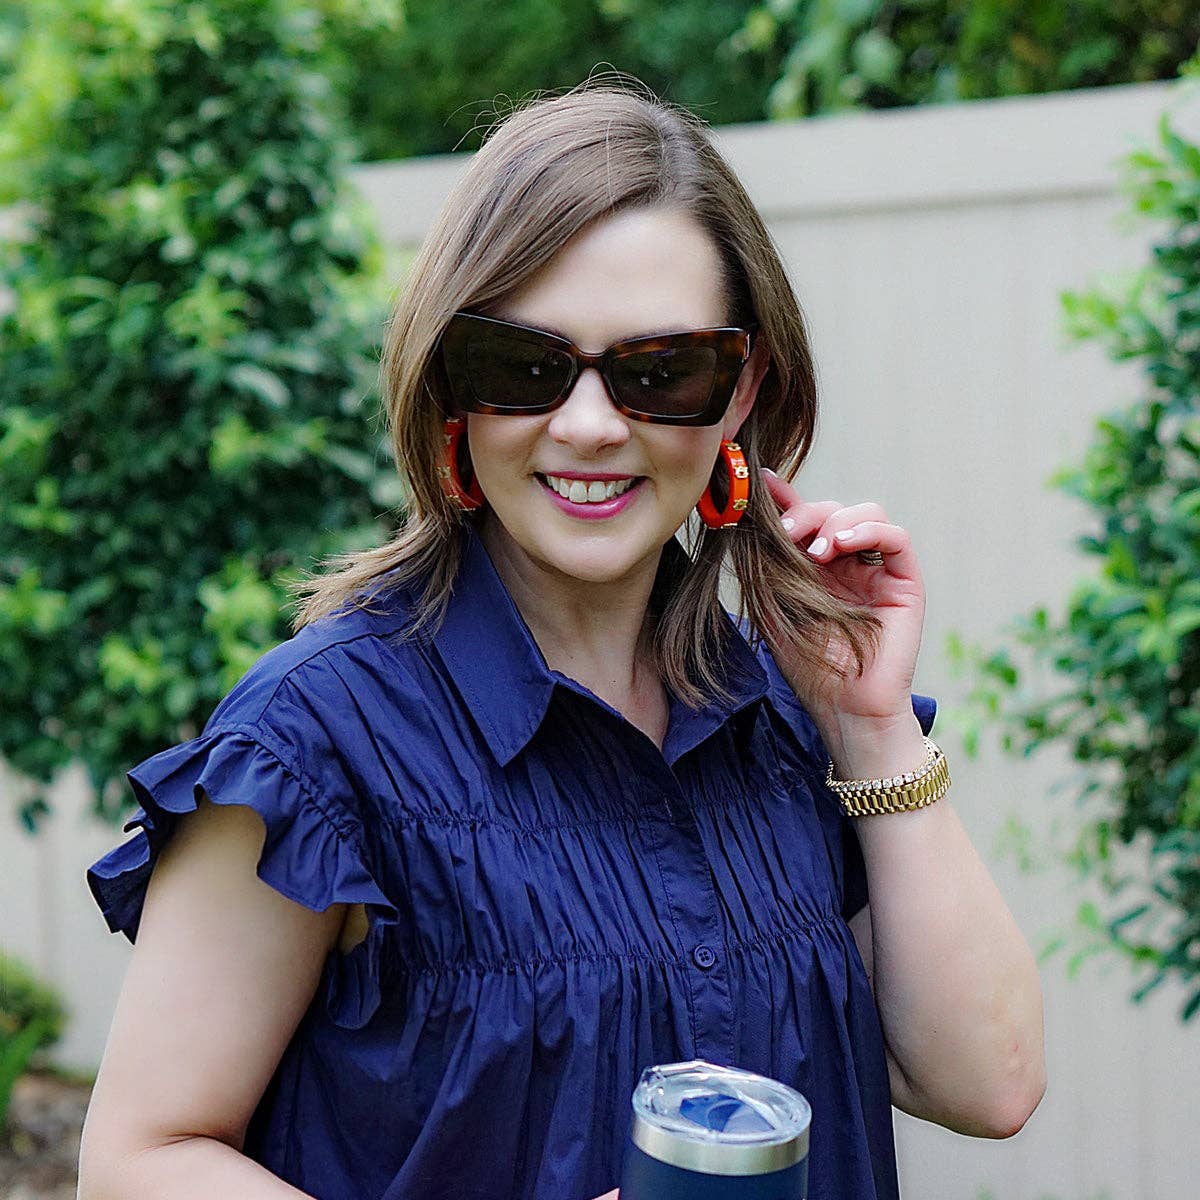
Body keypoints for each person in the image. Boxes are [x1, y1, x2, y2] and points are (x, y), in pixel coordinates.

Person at [77, 77, 1045, 1200]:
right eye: (523, 367)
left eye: (661, 372)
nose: (589, 426)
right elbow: (138, 1160)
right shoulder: (316, 741)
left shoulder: (790, 711)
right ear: (454, 387)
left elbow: (990, 1084)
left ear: (741, 395)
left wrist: (872, 733)